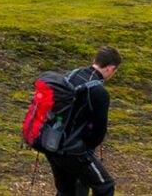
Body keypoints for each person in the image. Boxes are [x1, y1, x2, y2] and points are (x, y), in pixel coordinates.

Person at [45, 46, 120, 196]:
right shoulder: (99, 92)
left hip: (50, 141)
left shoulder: (71, 75)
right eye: (115, 71)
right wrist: (86, 148)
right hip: (73, 149)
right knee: (105, 186)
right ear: (111, 68)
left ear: (95, 61)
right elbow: (99, 132)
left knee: (66, 189)